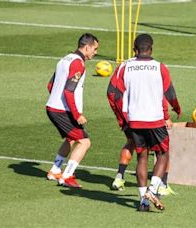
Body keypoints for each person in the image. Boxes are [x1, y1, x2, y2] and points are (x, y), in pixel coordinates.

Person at [114, 34, 181, 211]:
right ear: (151, 49)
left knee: (141, 157)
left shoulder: (124, 67)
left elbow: (113, 94)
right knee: (163, 155)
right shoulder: (159, 67)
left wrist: (122, 118)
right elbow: (170, 93)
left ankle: (143, 202)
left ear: (134, 50)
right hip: (155, 120)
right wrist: (176, 108)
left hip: (135, 121)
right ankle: (152, 189)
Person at [107, 61, 177, 196]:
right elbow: (161, 94)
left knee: (133, 145)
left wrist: (120, 116)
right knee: (162, 151)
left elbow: (111, 92)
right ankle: (162, 185)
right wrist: (166, 116)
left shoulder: (124, 66)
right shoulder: (155, 67)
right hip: (152, 118)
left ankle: (119, 178)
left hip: (130, 117)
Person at [46, 33, 99, 188]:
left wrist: (57, 101)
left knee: (71, 139)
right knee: (84, 142)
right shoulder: (78, 64)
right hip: (62, 110)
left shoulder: (64, 59)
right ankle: (67, 176)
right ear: (87, 47)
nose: (95, 52)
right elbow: (69, 92)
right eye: (95, 49)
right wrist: (77, 115)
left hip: (53, 107)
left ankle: (55, 170)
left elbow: (50, 85)